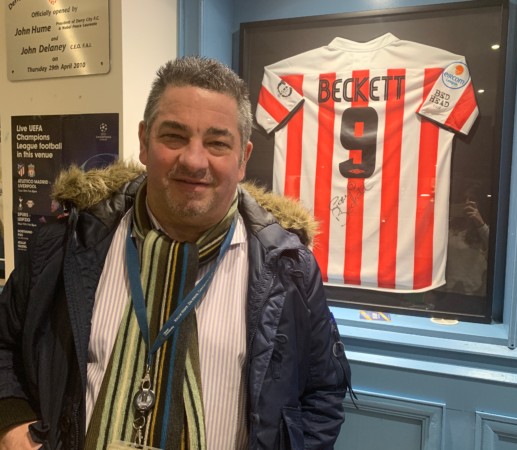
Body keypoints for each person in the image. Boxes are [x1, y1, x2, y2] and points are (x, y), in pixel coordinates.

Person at [0, 56, 351, 450]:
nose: (194, 160)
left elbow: (322, 394)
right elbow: (4, 343)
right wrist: (11, 424)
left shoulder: (289, 269)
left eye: (217, 143)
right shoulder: (66, 244)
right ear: (144, 141)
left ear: (243, 158)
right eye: (174, 136)